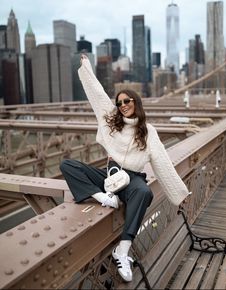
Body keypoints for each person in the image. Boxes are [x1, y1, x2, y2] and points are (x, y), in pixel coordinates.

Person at [60, 54, 191, 282]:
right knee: (68, 165)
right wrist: (86, 68)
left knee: (144, 192)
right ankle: (102, 197)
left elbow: (163, 164)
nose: (122, 106)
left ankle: (123, 249)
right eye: (119, 102)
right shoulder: (112, 121)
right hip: (110, 176)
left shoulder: (148, 131)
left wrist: (180, 195)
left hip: (132, 179)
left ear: (136, 103)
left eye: (127, 101)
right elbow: (98, 96)